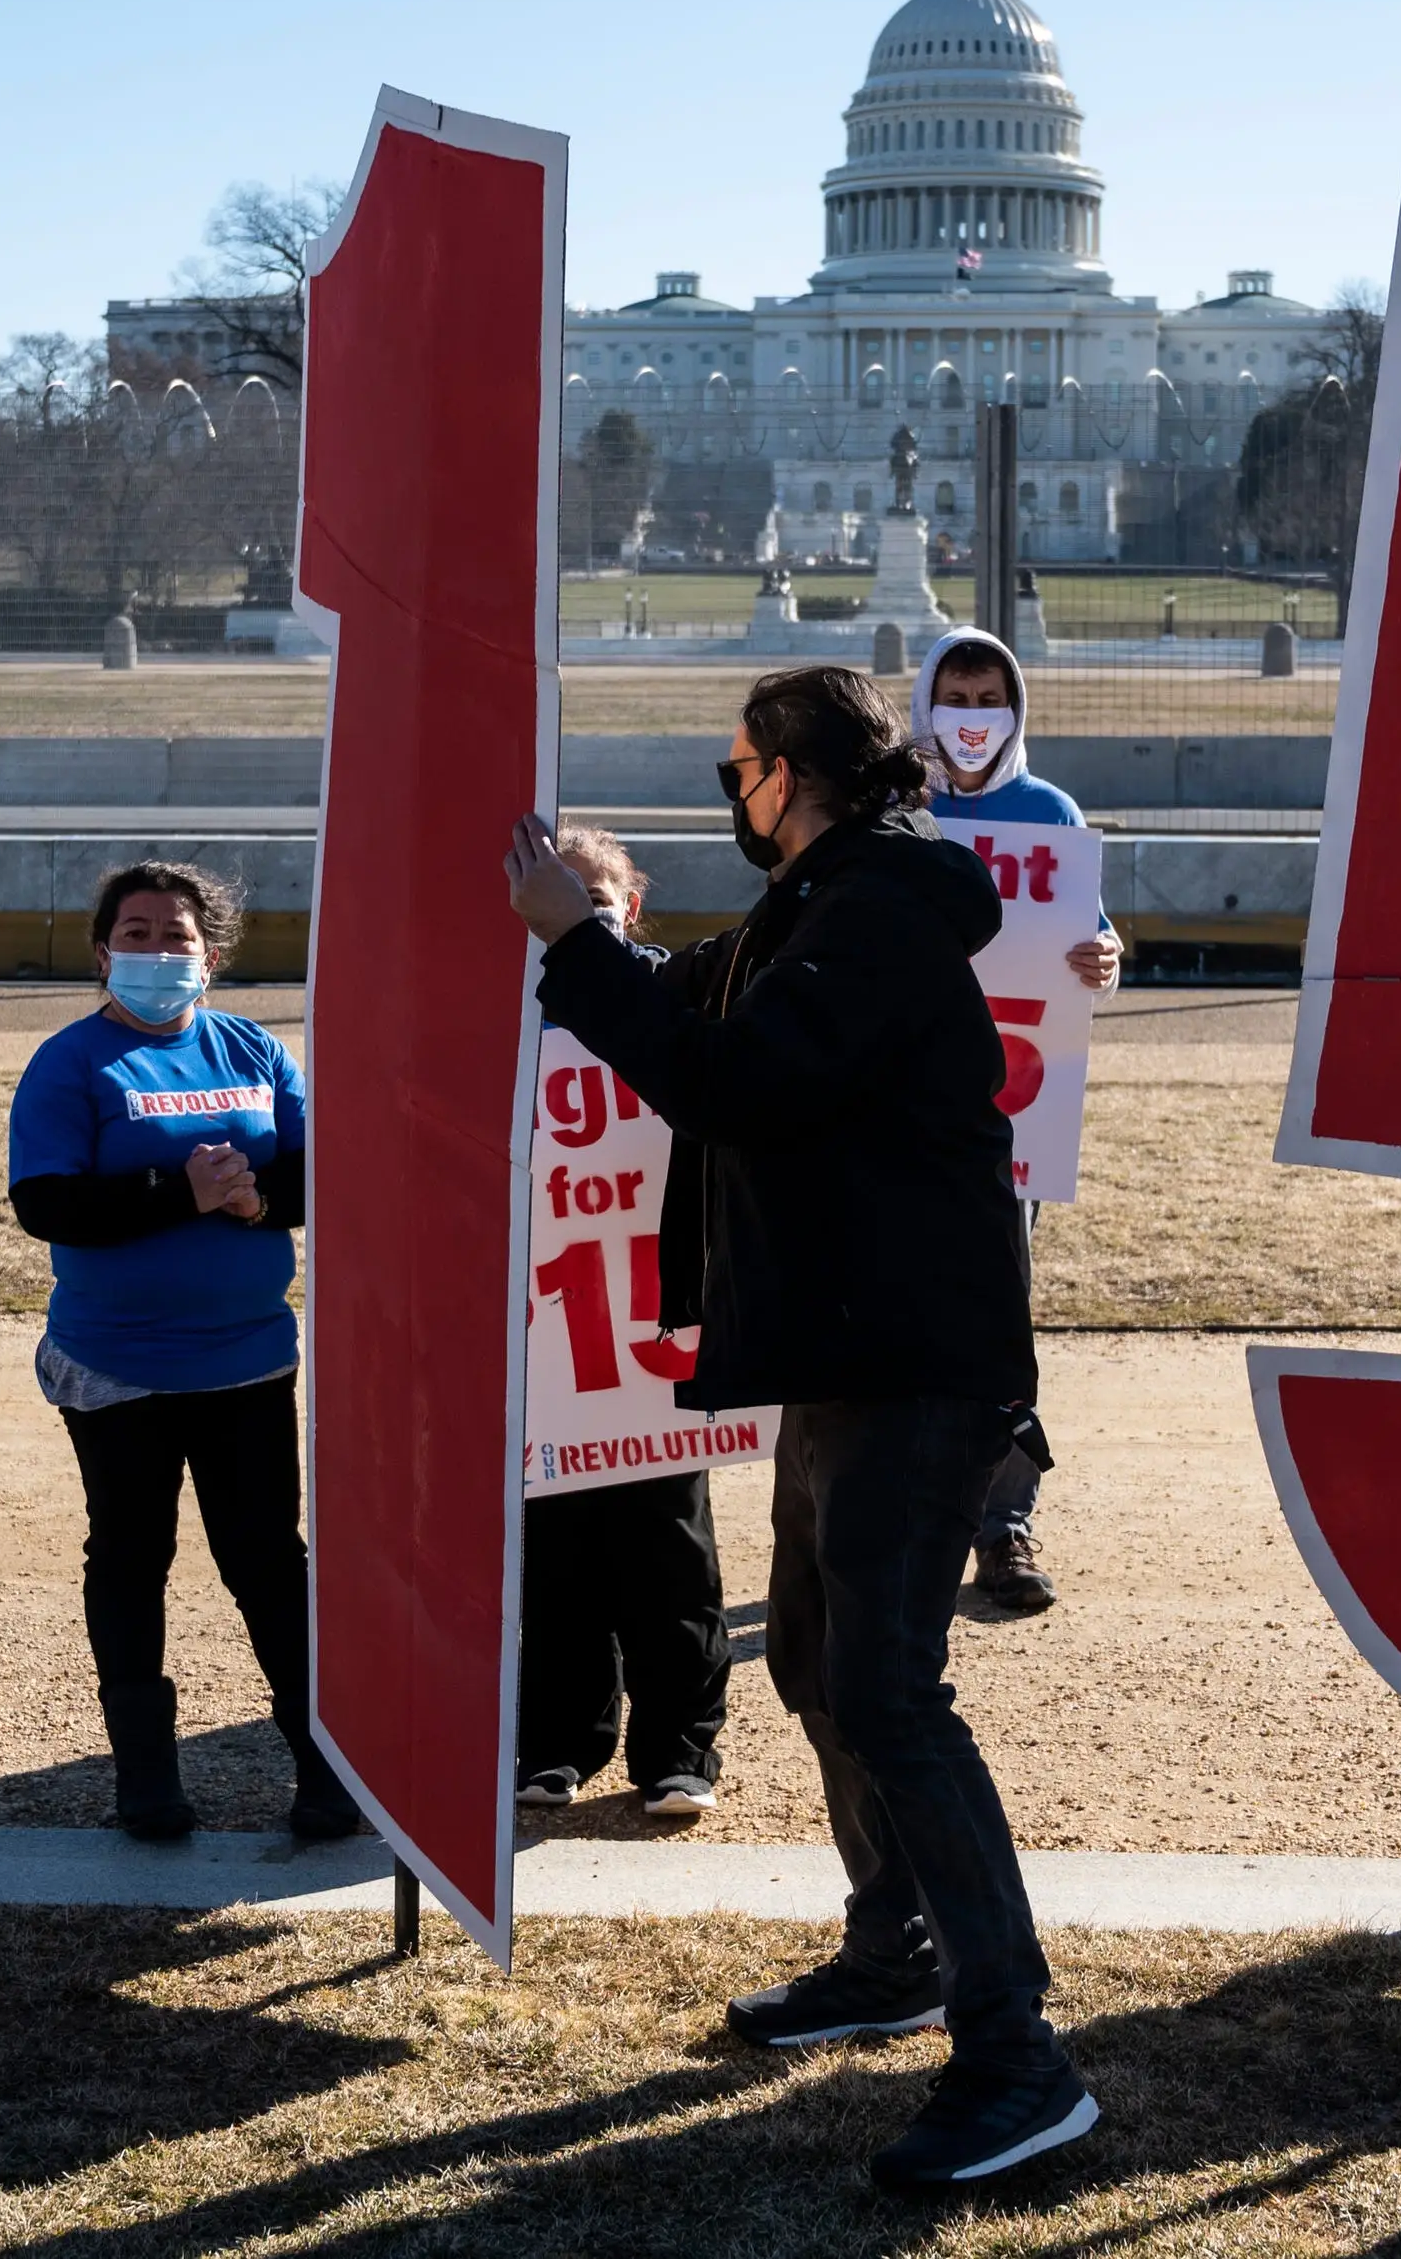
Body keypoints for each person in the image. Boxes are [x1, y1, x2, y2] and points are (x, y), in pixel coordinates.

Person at [508, 664, 1100, 2194]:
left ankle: (1018, 2060)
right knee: (825, 1668)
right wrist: (593, 939)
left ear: (785, 772)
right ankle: (892, 1953)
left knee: (890, 1692)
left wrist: (580, 949)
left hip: (916, 1363)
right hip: (855, 1354)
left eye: (735, 767)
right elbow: (700, 991)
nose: (729, 792)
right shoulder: (822, 906)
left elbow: (739, 1077)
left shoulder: (885, 902)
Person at [5, 859, 361, 1846]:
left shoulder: (253, 1048)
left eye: (178, 936)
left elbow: (323, 1175)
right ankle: (147, 1778)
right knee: (131, 1558)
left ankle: (326, 1769)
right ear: (101, 952)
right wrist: (181, 1191)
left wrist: (259, 1201)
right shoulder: (70, 1064)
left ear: (212, 957)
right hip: (117, 1368)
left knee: (267, 1563)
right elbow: (46, 1203)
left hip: (246, 1361)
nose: (158, 951)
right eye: (138, 933)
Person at [513, 827, 734, 1823]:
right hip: (548, 1332)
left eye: (596, 894)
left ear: (631, 907)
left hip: (655, 1327)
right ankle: (558, 1745)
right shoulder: (503, 1017)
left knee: (668, 1550)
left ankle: (680, 1752)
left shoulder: (683, 1000)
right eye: (560, 893)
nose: (579, 909)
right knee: (553, 1553)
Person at [912, 625, 1121, 1617]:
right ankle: (901, 1521)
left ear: (1014, 709)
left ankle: (1002, 1526)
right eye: (955, 695)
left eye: (989, 697)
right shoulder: (894, 808)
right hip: (893, 1115)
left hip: (1007, 1121)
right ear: (926, 701)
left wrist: (1103, 961)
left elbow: (1088, 933)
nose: (971, 716)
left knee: (998, 1320)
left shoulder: (1048, 811)